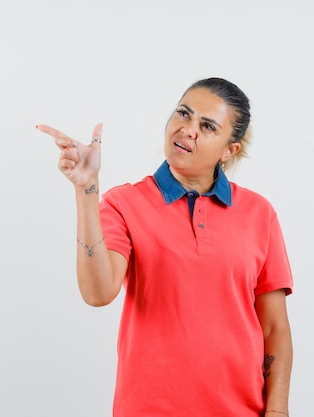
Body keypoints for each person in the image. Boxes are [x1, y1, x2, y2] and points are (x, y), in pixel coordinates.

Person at [36, 77, 293, 417]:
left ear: (230, 149)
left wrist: (277, 411)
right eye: (183, 114)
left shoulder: (260, 214)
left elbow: (274, 328)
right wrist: (87, 191)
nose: (188, 130)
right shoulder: (125, 203)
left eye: (207, 126)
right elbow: (98, 292)